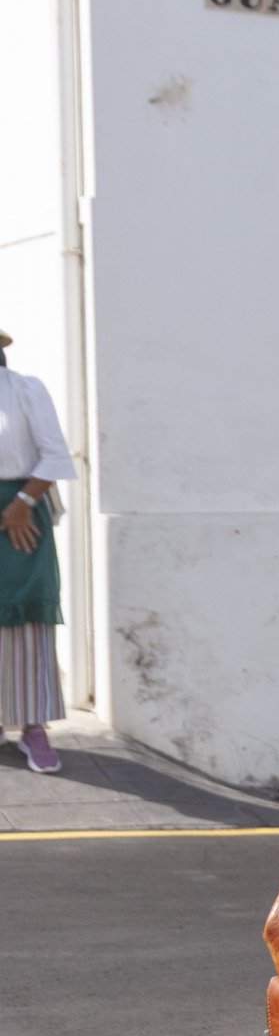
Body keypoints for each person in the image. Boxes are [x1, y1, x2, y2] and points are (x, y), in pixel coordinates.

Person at [0, 331, 73, 773]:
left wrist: (22, 505)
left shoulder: (26, 390)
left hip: (23, 508)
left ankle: (34, 727)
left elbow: (55, 456)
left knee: (27, 614)